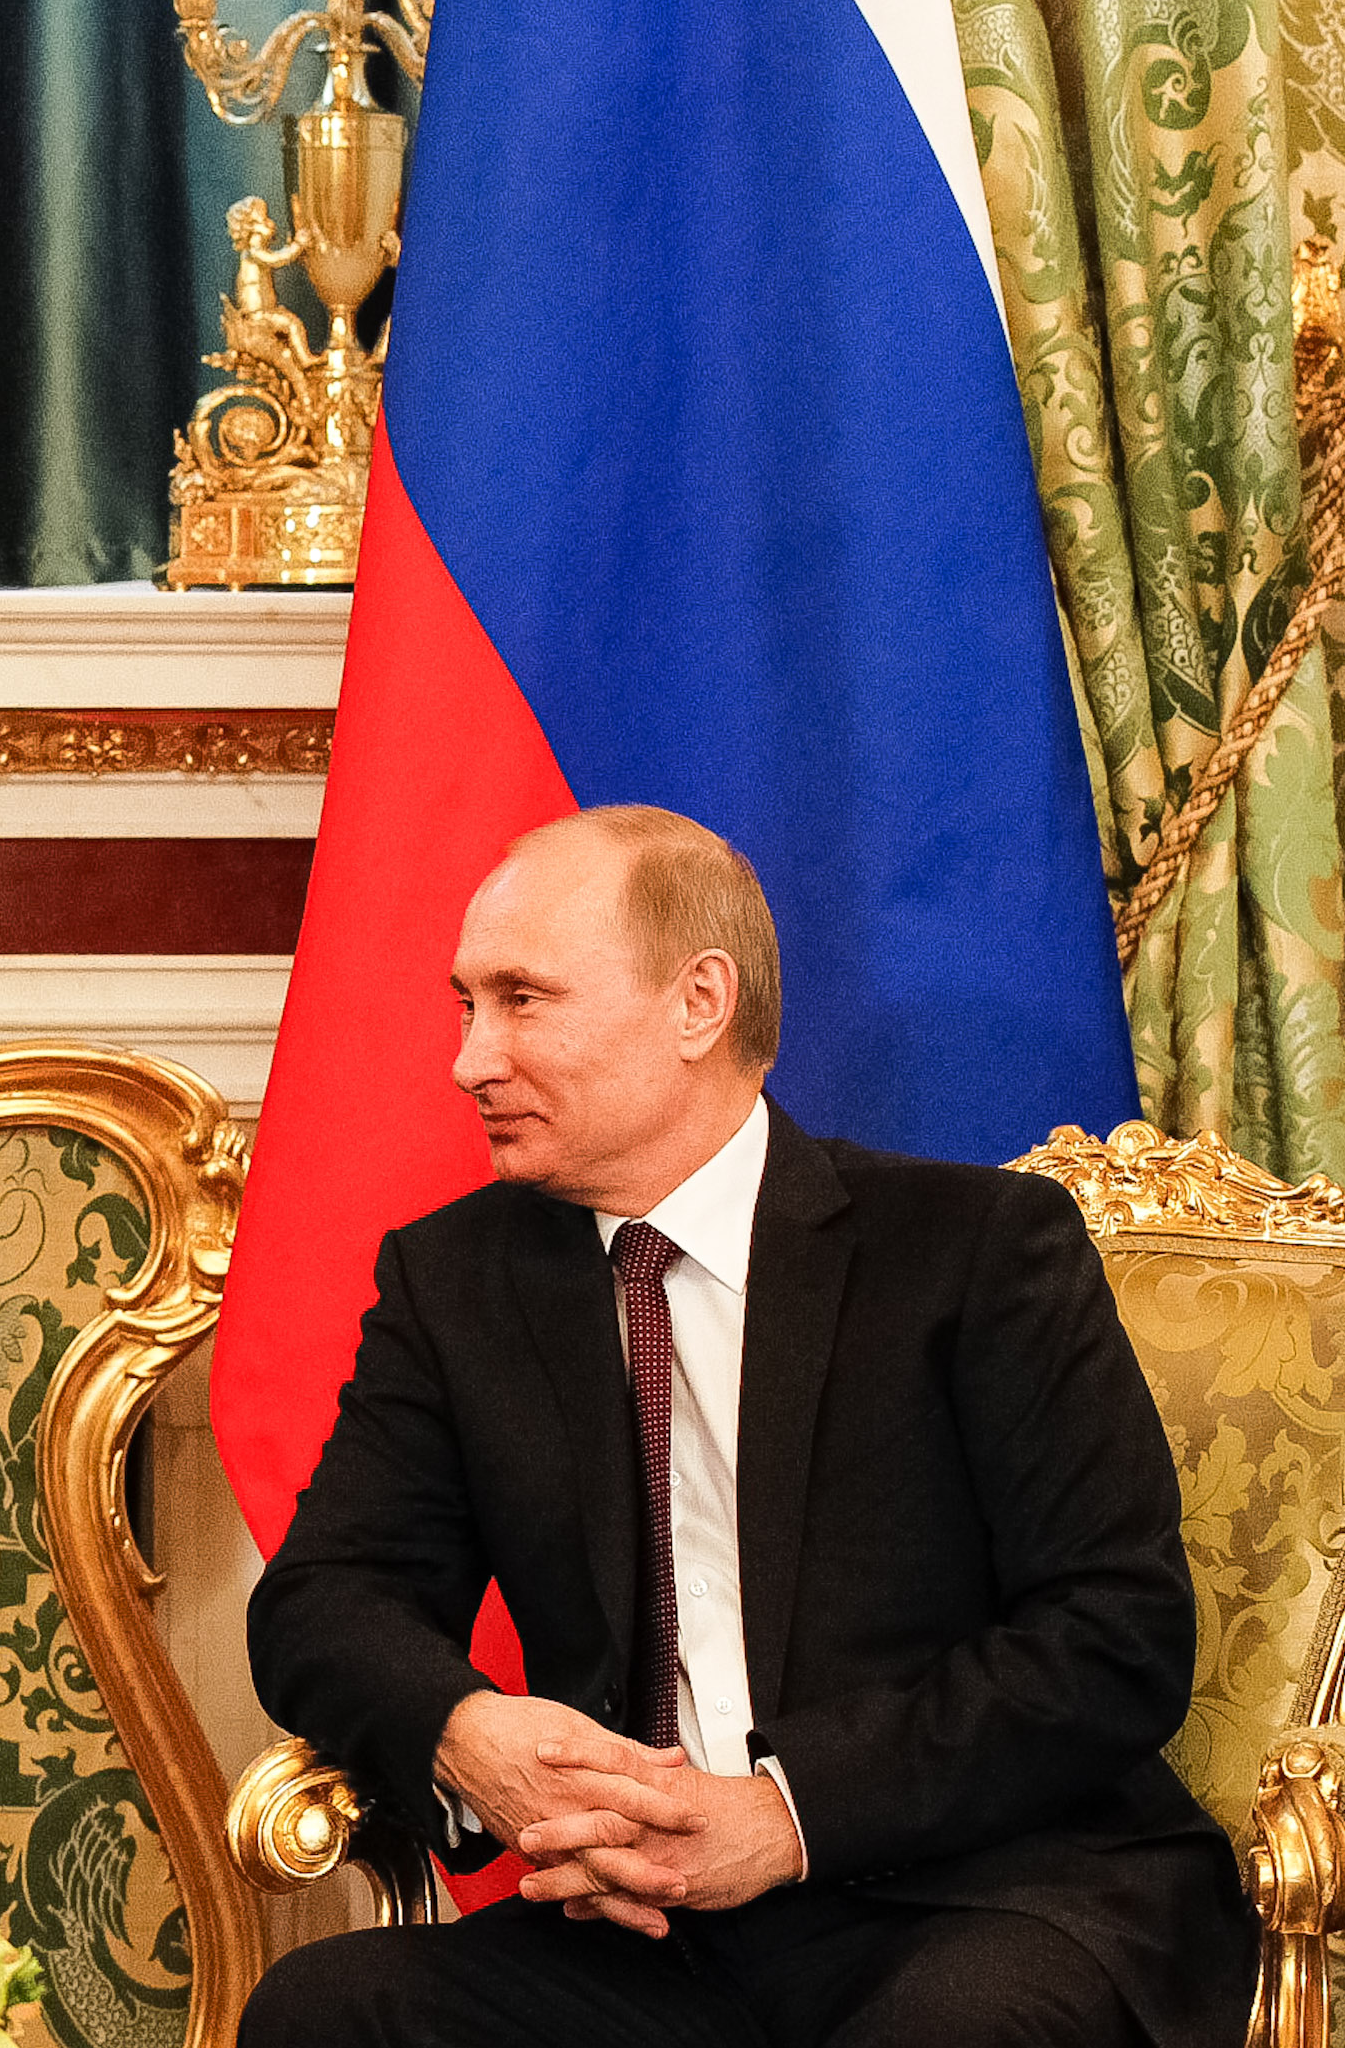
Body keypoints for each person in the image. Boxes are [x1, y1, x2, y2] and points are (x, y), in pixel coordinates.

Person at [242, 806, 1254, 2048]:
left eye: (520, 1000)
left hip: (976, 1894)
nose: (469, 1060)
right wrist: (469, 1732)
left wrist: (782, 1816)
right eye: (466, 1005)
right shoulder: (457, 1282)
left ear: (696, 1004)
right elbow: (320, 1602)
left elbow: (1113, 1634)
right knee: (327, 2014)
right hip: (649, 1942)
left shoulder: (973, 1254)